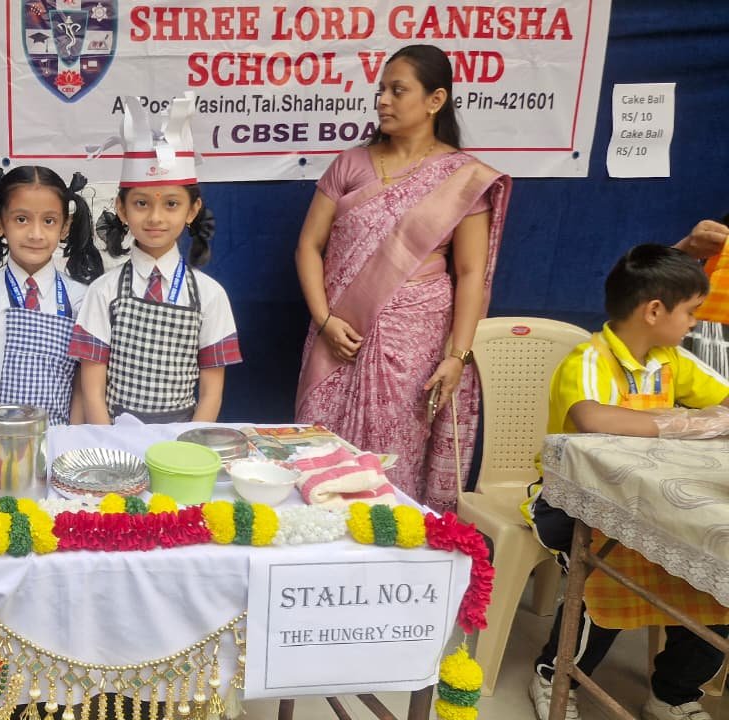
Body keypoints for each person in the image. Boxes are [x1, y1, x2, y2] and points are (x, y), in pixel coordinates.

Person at [292, 44, 511, 510]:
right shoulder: (350, 164)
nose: (383, 101)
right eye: (381, 91)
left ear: (435, 100)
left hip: (415, 343)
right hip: (338, 334)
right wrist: (325, 320)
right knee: (318, 454)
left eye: (398, 90)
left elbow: (471, 273)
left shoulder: (462, 178)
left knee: (394, 463)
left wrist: (457, 356)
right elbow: (309, 246)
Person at [523, 244, 729, 720]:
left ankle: (673, 693)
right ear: (654, 311)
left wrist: (705, 416)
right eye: (691, 311)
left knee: (712, 578)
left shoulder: (671, 360)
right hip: (567, 503)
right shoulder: (589, 358)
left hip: (651, 502)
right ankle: (555, 674)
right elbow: (594, 419)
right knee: (611, 572)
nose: (695, 323)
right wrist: (687, 422)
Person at [71, 93, 241, 424]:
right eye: (141, 203)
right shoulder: (103, 292)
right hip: (113, 436)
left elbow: (211, 394)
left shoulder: (210, 295)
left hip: (179, 439)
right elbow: (92, 392)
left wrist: (185, 445)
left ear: (192, 210)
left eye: (171, 204)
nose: (155, 217)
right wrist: (110, 443)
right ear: (121, 209)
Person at [0, 165, 103, 424]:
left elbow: (82, 386)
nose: (36, 234)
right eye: (21, 219)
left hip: (59, 434)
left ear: (65, 226)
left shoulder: (81, 299)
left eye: (49, 221)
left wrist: (72, 437)